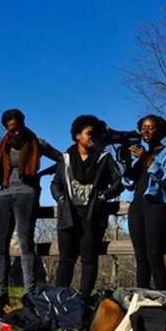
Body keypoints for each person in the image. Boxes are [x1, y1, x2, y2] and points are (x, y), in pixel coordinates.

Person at [0, 109, 61, 309]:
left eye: (18, 127)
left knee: (25, 243)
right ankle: (1, 293)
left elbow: (63, 159)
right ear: (6, 128)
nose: (16, 132)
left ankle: (29, 293)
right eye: (11, 129)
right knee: (0, 247)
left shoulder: (36, 142)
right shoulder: (2, 146)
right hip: (3, 196)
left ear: (23, 124)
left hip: (26, 195)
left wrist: (42, 174)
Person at [51, 115, 124, 297]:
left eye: (96, 135)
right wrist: (60, 199)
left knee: (89, 260)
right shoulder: (66, 158)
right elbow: (55, 184)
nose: (93, 138)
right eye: (89, 134)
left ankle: (83, 300)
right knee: (66, 260)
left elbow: (118, 182)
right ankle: (60, 299)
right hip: (68, 216)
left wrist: (103, 197)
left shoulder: (105, 158)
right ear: (77, 136)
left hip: (93, 217)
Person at [123, 115, 166, 290]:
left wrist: (147, 159)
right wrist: (126, 161)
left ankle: (163, 299)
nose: (146, 131)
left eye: (151, 127)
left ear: (160, 131)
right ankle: (141, 298)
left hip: (156, 206)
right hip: (136, 207)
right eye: (143, 127)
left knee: (154, 254)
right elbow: (128, 183)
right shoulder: (138, 154)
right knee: (140, 257)